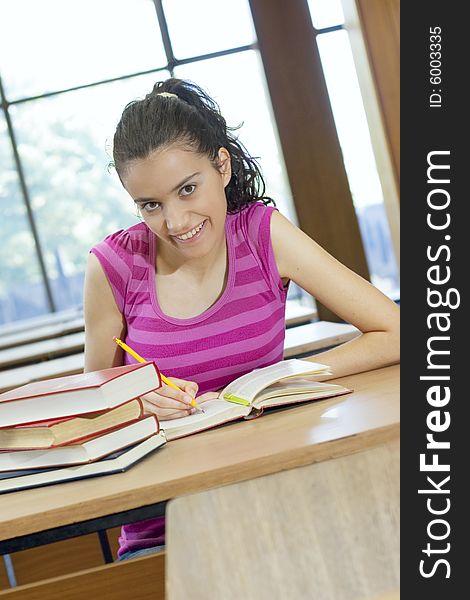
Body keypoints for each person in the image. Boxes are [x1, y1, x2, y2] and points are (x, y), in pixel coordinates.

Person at [84, 78, 400, 560]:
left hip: (282, 501)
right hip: (168, 532)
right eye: (151, 204)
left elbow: (394, 331)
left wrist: (281, 375)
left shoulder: (261, 233)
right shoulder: (113, 265)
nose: (176, 221)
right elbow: (91, 409)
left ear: (222, 165)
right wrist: (138, 402)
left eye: (188, 189)